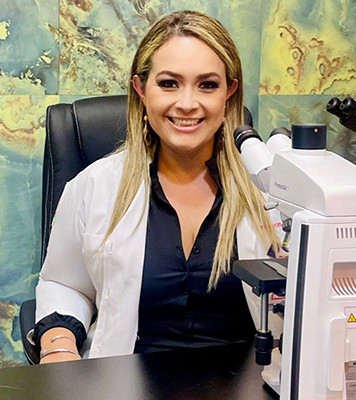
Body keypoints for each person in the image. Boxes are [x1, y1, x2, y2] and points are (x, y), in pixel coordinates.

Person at [33, 10, 280, 364]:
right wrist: (59, 346)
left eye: (207, 85)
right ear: (141, 89)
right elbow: (64, 284)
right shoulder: (94, 186)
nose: (187, 103)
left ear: (229, 92)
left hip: (252, 381)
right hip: (125, 381)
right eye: (169, 83)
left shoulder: (271, 190)